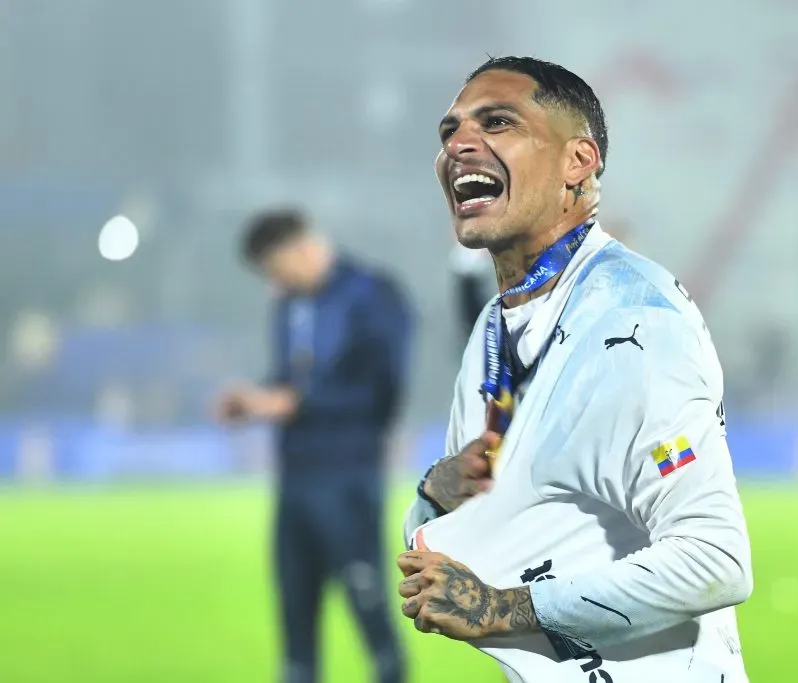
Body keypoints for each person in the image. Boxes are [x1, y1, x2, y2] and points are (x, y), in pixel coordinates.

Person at [396, 57, 753, 682]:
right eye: (448, 131)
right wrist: (434, 496)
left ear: (577, 163)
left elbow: (717, 558)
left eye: (497, 122)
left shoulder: (635, 323)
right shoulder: (493, 327)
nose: (458, 144)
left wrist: (503, 607)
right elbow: (449, 553)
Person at [216, 209, 412, 683]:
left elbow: (382, 390)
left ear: (300, 248)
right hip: (296, 477)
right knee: (296, 616)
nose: (273, 281)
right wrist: (256, 400)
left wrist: (295, 402)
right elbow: (289, 380)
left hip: (348, 473)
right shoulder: (289, 301)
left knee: (370, 611)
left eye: (274, 268)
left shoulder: (373, 294)